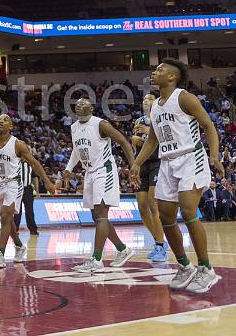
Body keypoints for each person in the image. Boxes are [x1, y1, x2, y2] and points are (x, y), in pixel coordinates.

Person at [131, 58, 225, 294]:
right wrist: (136, 163)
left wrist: (215, 156)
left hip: (190, 157)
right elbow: (153, 139)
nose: (155, 72)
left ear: (172, 76)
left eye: (159, 70)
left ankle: (206, 268)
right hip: (167, 162)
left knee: (189, 210)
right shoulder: (156, 106)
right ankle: (185, 266)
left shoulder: (185, 97)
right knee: (165, 215)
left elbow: (209, 127)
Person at [64, 98, 137, 273]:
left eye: (84, 103)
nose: (79, 105)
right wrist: (68, 168)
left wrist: (134, 165)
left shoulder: (101, 124)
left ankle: (96, 259)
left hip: (104, 171)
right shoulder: (74, 127)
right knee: (96, 217)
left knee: (102, 214)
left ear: (91, 108)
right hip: (89, 173)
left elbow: (124, 142)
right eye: (78, 103)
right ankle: (123, 250)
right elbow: (76, 149)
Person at [0, 114, 55, 268]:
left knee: (6, 216)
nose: (1, 121)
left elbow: (34, 163)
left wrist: (47, 181)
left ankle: (0, 254)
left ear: (11, 126)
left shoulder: (18, 144)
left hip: (14, 184)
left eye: (5, 120)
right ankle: (19, 246)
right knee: (7, 220)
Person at [132, 94, 168, 261]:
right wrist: (135, 140)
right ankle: (158, 240)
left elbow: (167, 140)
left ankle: (160, 246)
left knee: (154, 205)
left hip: (157, 162)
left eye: (150, 98)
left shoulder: (160, 118)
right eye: (144, 99)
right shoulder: (138, 121)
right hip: (143, 164)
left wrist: (149, 132)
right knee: (141, 206)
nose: (146, 100)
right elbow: (136, 146)